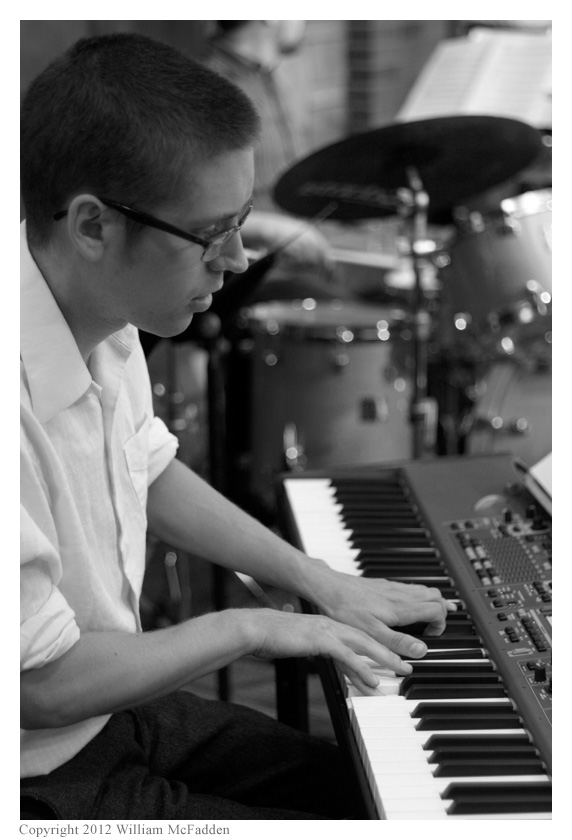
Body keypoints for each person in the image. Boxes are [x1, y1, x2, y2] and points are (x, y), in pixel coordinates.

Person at [20, 32, 453, 821]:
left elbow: (150, 468)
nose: (240, 258)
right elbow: (39, 688)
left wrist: (317, 580)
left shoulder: (100, 304)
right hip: (33, 775)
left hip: (103, 719)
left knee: (369, 798)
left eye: (243, 221)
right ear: (93, 226)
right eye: (211, 233)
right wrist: (251, 628)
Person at [205, 21, 337, 299]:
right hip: (247, 270)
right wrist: (271, 227)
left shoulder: (278, 77)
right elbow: (195, 210)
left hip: (299, 258)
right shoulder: (208, 87)